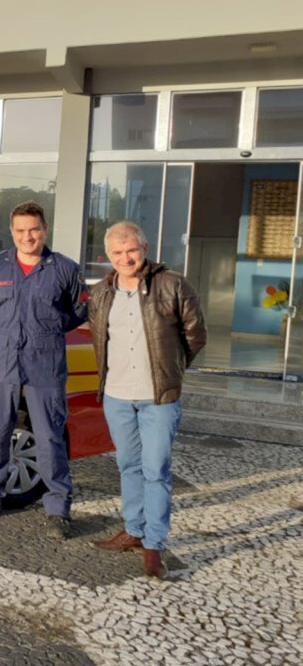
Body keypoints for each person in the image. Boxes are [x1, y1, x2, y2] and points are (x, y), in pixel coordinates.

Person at [87, 221, 206, 579]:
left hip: (158, 398)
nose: (126, 258)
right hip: (117, 397)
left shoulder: (172, 285)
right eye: (118, 253)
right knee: (128, 467)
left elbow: (195, 335)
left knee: (156, 471)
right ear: (108, 256)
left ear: (145, 248)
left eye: (132, 250)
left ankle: (154, 544)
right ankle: (133, 530)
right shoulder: (101, 294)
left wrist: (172, 369)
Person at [0, 201, 86, 539]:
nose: (27, 236)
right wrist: (5, 327)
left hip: (45, 362)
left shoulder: (63, 268)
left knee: (49, 436)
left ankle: (58, 509)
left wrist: (49, 327)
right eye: (20, 230)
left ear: (44, 228)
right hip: (2, 362)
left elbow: (79, 309)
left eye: (33, 229)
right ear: (12, 231)